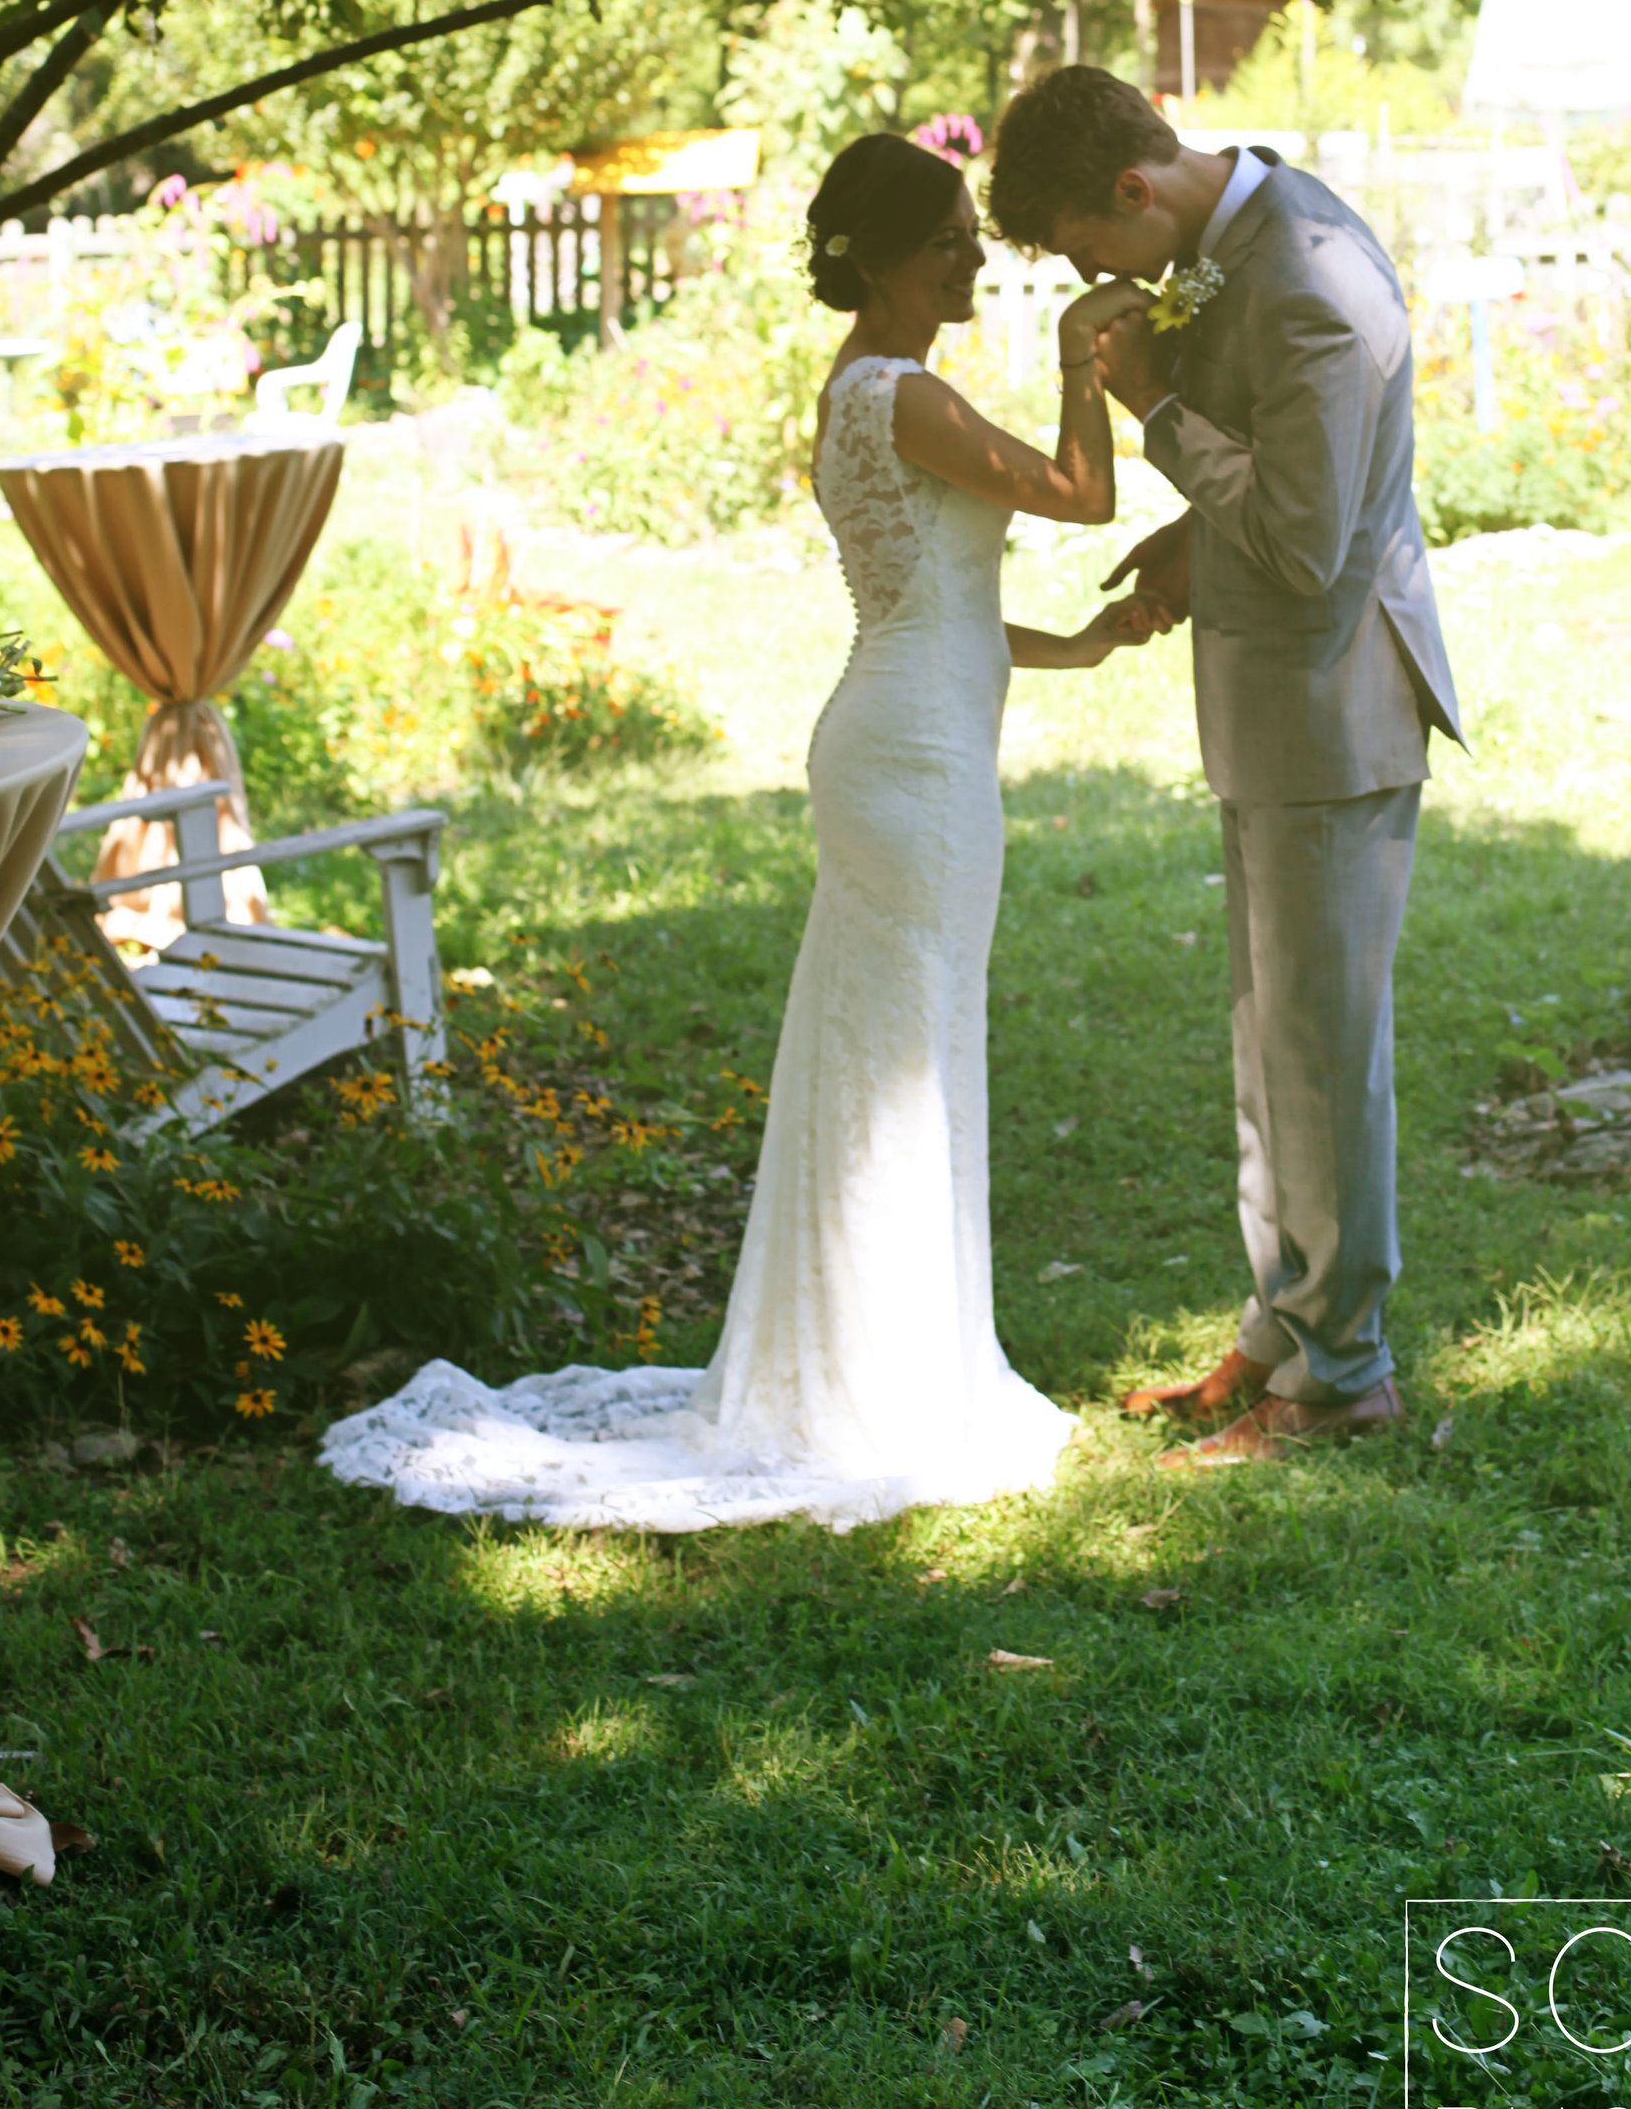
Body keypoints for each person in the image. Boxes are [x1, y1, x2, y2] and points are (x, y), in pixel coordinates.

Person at [325, 132, 1159, 1533]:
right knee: (907, 1052)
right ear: (886, 255)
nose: (973, 256)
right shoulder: (906, 394)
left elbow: (929, 611)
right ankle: (883, 1391)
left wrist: (1074, 645)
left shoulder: (853, 394)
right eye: (951, 235)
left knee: (899, 1047)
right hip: (918, 762)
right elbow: (1086, 494)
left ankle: (886, 1365)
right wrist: (1086, 359)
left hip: (902, 733)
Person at [985, 65, 1462, 1467]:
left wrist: (1153, 409)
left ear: (1134, 190)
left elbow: (1315, 538)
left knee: (1324, 1059)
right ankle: (1280, 1331)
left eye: (1087, 248)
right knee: (1272, 1050)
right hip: (1270, 706)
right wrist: (1189, 534)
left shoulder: (1309, 274)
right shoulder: (1232, 247)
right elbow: (1279, 479)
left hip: (1332, 709)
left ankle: (1343, 1375)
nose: (1096, 279)